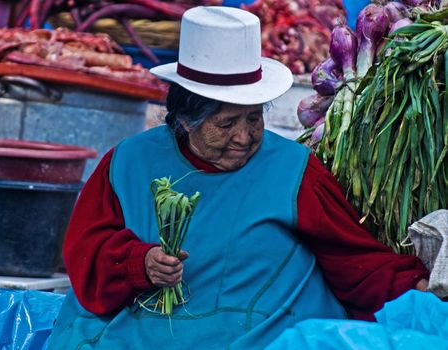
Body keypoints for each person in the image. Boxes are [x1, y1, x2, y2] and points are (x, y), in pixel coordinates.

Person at [48, 6, 429, 349]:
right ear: (184, 120)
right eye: (226, 123)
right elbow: (88, 252)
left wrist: (417, 291)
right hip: (146, 334)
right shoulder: (128, 163)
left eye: (254, 118)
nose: (244, 138)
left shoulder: (293, 171)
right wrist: (138, 263)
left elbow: (353, 261)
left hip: (265, 337)